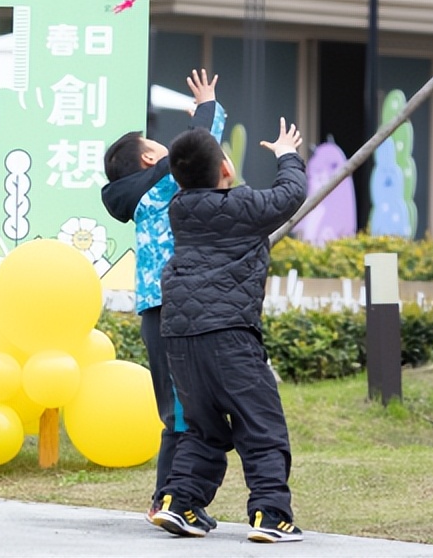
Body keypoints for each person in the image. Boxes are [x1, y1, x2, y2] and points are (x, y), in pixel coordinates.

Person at [154, 117, 306, 543]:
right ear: (225, 168)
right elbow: (291, 193)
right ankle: (271, 515)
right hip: (230, 333)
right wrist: (287, 154)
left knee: (204, 427)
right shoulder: (243, 207)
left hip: (180, 335)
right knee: (261, 424)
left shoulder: (179, 209)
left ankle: (178, 502)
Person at [100, 69, 226, 526]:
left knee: (179, 404)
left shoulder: (145, 195)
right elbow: (202, 149)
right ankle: (169, 499)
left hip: (160, 307)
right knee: (182, 406)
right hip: (179, 304)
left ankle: (172, 498)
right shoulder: (159, 184)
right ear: (151, 156)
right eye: (156, 145)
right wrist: (208, 106)